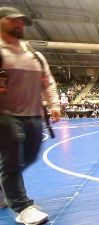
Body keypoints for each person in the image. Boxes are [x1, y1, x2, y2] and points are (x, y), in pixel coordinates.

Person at [0, 6, 61, 225]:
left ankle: (4, 181)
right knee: (13, 157)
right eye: (13, 20)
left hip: (33, 115)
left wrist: (54, 104)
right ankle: (22, 206)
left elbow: (48, 82)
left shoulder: (35, 56)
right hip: (5, 115)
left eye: (22, 21)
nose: (19, 24)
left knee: (32, 154)